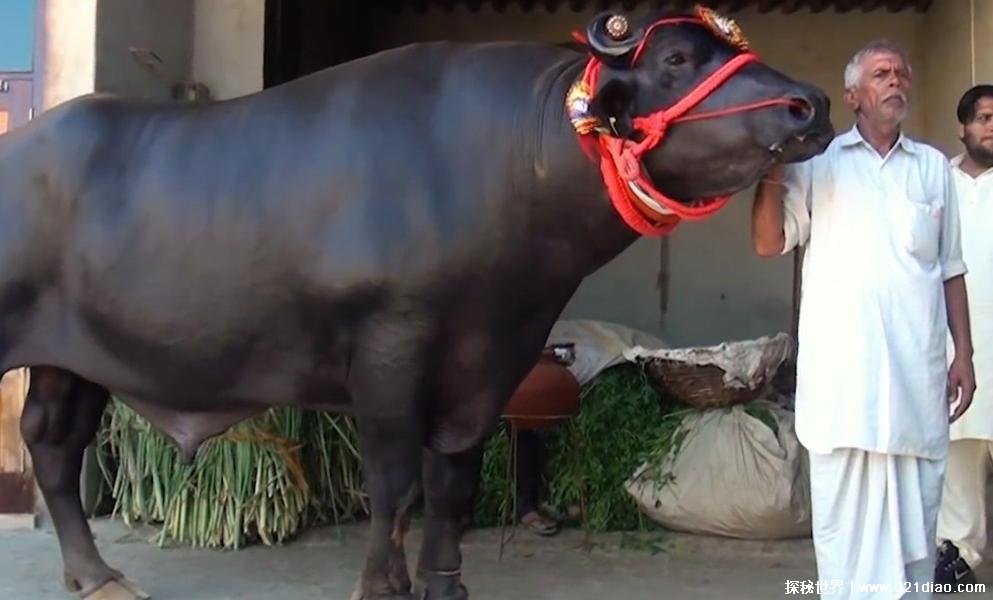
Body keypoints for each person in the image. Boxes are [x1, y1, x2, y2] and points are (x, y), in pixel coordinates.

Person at [751, 40, 975, 598]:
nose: (895, 80)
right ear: (853, 96)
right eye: (881, 74)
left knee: (915, 524)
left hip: (913, 381)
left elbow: (950, 269)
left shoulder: (933, 169)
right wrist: (773, 165)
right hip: (842, 388)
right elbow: (768, 242)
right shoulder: (817, 164)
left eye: (900, 72)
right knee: (843, 532)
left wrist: (965, 354)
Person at [933, 84, 993, 588]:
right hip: (957, 345)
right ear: (963, 127)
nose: (992, 127)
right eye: (984, 117)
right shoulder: (939, 183)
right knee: (960, 447)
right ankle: (961, 551)